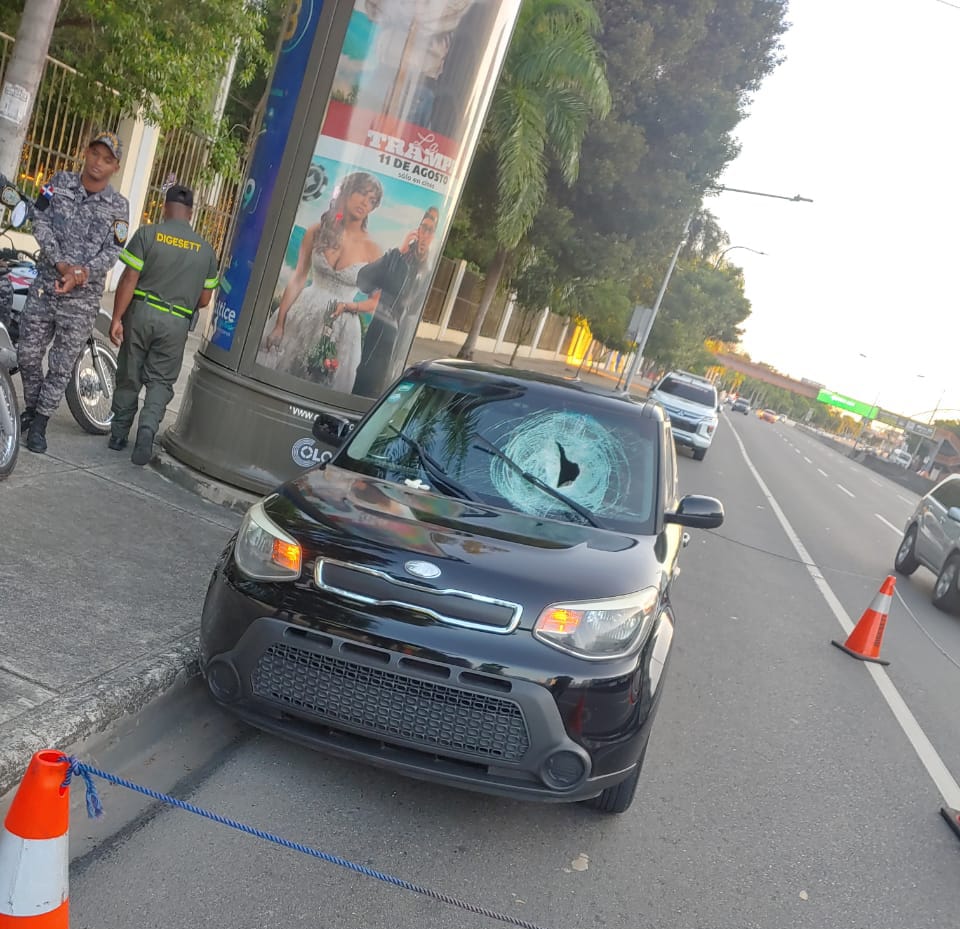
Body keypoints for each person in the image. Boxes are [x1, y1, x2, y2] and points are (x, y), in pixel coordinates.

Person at [17, 131, 130, 454]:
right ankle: (30, 407)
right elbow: (38, 219)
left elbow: (113, 251)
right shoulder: (57, 183)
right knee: (27, 354)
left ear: (115, 167)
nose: (98, 163)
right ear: (85, 152)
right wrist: (61, 263)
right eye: (95, 154)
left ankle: (39, 422)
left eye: (107, 159)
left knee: (62, 365)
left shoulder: (119, 206)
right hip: (46, 285)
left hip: (82, 300)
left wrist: (81, 274)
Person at [107, 185, 219, 465]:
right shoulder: (206, 251)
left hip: (142, 312)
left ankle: (119, 435)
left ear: (164, 207)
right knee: (160, 381)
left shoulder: (148, 234)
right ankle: (146, 429)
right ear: (191, 213)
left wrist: (117, 317)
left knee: (130, 374)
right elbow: (204, 300)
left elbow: (130, 279)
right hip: (176, 321)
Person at [259, 172, 383, 392]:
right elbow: (298, 278)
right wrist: (280, 323)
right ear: (346, 192)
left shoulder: (373, 250)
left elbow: (375, 303)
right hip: (303, 313)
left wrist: (348, 306)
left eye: (372, 200)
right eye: (361, 193)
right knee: (281, 376)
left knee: (323, 386)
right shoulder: (317, 231)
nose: (365, 202)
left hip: (342, 326)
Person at [352, 206, 438, 397]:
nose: (424, 234)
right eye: (423, 228)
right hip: (377, 341)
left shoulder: (426, 273)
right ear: (417, 230)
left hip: (397, 347)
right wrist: (399, 253)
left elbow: (415, 308)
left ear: (433, 237)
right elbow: (363, 281)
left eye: (430, 231)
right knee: (363, 389)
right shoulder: (395, 258)